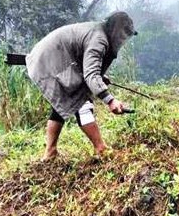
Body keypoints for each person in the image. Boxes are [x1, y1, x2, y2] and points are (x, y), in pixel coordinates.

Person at [25, 12, 136, 160]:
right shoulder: (99, 39)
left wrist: (100, 77)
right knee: (81, 102)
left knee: (63, 103)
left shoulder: (100, 32)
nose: (123, 40)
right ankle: (101, 148)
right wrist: (110, 100)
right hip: (49, 61)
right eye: (122, 36)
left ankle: (50, 153)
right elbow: (90, 75)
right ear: (115, 30)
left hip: (53, 58)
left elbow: (88, 66)